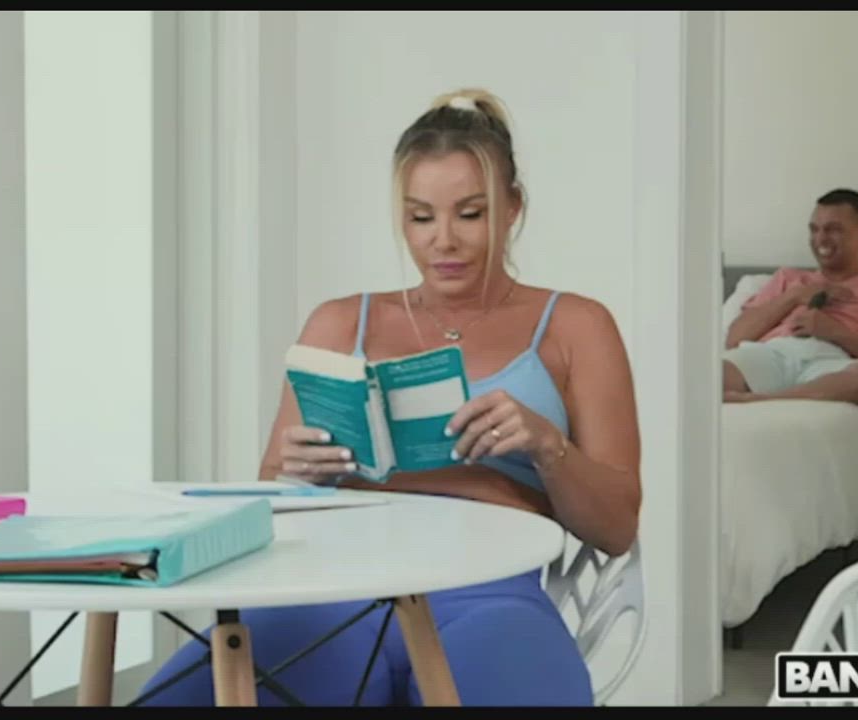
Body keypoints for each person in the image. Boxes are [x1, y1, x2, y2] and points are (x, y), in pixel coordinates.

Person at [140, 88, 642, 707]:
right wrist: (297, 476)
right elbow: (269, 503)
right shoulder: (337, 323)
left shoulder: (575, 326)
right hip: (329, 589)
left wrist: (546, 445)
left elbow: (616, 528)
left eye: (470, 213)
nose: (443, 241)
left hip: (488, 590)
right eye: (420, 217)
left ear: (513, 207)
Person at [723, 189, 858, 407]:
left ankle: (764, 400)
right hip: (772, 357)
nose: (820, 239)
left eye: (833, 229)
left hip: (834, 365)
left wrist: (834, 332)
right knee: (703, 372)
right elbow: (734, 339)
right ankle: (783, 397)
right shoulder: (787, 278)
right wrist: (795, 296)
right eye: (814, 229)